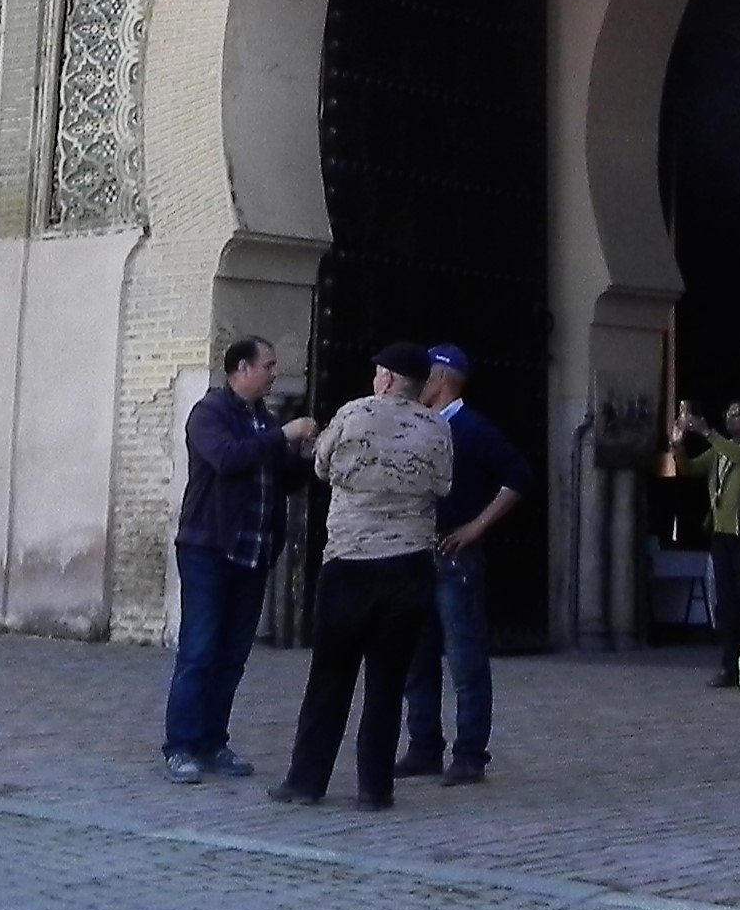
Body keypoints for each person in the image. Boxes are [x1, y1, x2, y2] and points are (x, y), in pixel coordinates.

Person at [274, 343, 450, 810]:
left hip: (350, 561)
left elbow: (321, 466)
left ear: (388, 379)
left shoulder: (354, 414)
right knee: (388, 682)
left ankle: (307, 781)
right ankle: (375, 788)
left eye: (378, 373)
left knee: (330, 676)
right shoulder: (437, 427)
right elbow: (443, 485)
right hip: (410, 564)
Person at [162, 336, 318, 784]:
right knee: (200, 649)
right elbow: (227, 460)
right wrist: (282, 437)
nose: (274, 373)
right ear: (242, 369)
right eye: (268, 365)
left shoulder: (262, 420)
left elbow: (280, 480)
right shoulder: (211, 413)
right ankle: (181, 747)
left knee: (232, 654)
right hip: (209, 548)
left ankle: (213, 741)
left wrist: (302, 459)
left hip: (253, 554)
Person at [398, 344, 529, 787]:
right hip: (419, 552)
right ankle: (423, 746)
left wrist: (477, 526)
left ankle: (470, 752)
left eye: (426, 375)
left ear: (441, 378)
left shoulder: (472, 428)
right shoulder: (420, 425)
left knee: (464, 657)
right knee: (417, 655)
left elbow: (518, 475)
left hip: (456, 557)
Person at [673, 396, 740, 688]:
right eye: (729, 414)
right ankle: (729, 667)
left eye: (739, 413)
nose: (733, 418)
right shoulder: (720, 452)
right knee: (727, 605)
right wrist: (678, 445)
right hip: (722, 536)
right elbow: (690, 469)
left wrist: (707, 432)